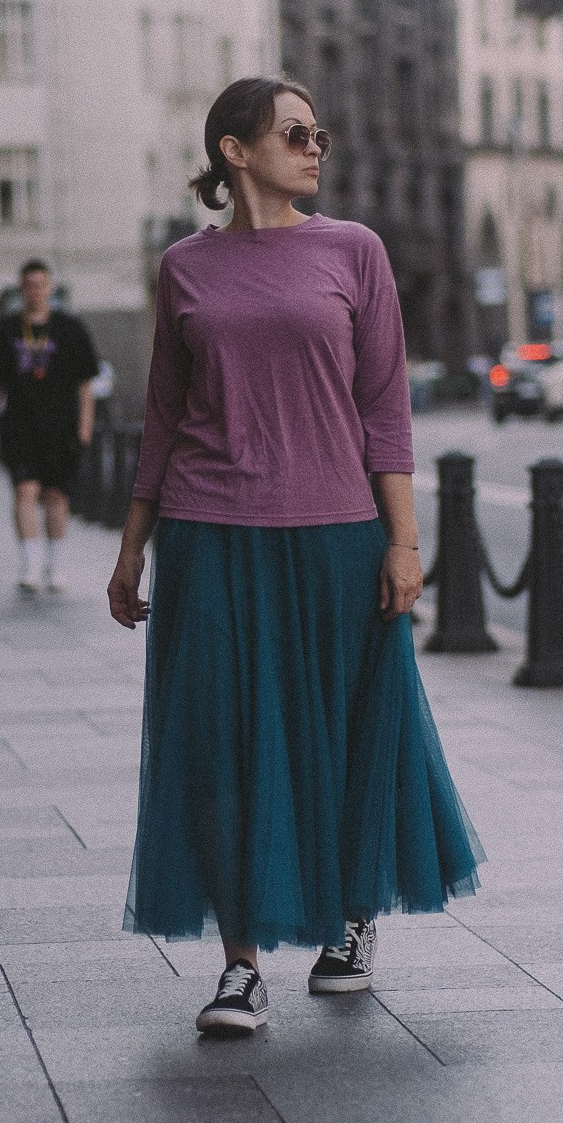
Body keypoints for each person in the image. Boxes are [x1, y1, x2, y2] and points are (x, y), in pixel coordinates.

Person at [107, 77, 483, 1036]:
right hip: (211, 534)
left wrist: (403, 543)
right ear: (236, 151)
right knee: (221, 749)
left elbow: (383, 411)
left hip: (336, 534)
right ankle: (240, 968)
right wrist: (130, 551)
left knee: (350, 731)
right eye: (295, 132)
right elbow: (163, 415)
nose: (317, 147)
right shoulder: (185, 267)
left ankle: (352, 921)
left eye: (321, 132)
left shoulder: (355, 252)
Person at [0, 261, 99, 592]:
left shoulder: (70, 328)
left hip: (61, 425)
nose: (35, 290)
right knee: (24, 491)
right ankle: (30, 563)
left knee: (56, 496)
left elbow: (85, 383)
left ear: (50, 288)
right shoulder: (5, 330)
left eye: (41, 284)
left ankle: (55, 564)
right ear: (21, 289)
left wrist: (86, 425)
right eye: (29, 284)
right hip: (20, 424)